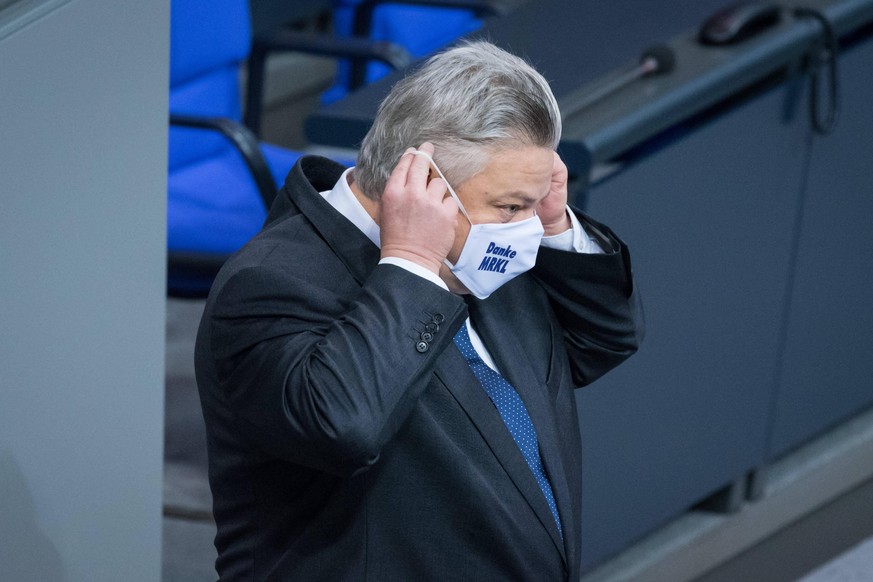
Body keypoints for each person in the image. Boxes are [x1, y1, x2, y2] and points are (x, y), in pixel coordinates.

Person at [195, 41, 643, 581]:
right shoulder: (267, 285)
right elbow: (341, 427)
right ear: (424, 184)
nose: (523, 228)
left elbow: (601, 342)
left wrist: (553, 226)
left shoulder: (486, 256)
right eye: (511, 206)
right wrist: (410, 263)